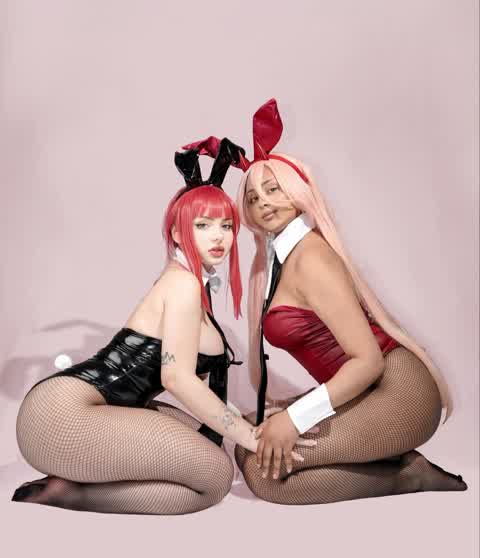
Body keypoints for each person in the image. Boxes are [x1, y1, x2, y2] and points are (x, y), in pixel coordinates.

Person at [12, 137, 314, 515]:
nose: (218, 236)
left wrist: (256, 423)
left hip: (88, 407)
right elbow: (178, 379)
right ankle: (70, 493)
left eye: (226, 225)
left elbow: (198, 394)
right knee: (216, 476)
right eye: (203, 225)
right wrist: (251, 437)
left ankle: (77, 485)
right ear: (176, 232)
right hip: (60, 416)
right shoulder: (182, 285)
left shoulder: (190, 284)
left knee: (209, 449)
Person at [232, 99, 467, 504]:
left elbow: (369, 361)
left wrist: (295, 418)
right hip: (363, 393)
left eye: (273, 189)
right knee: (246, 439)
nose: (263, 202)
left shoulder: (311, 258)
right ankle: (385, 458)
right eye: (252, 198)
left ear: (297, 192)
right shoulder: (279, 260)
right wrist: (292, 411)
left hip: (399, 393)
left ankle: (407, 475)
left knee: (262, 473)